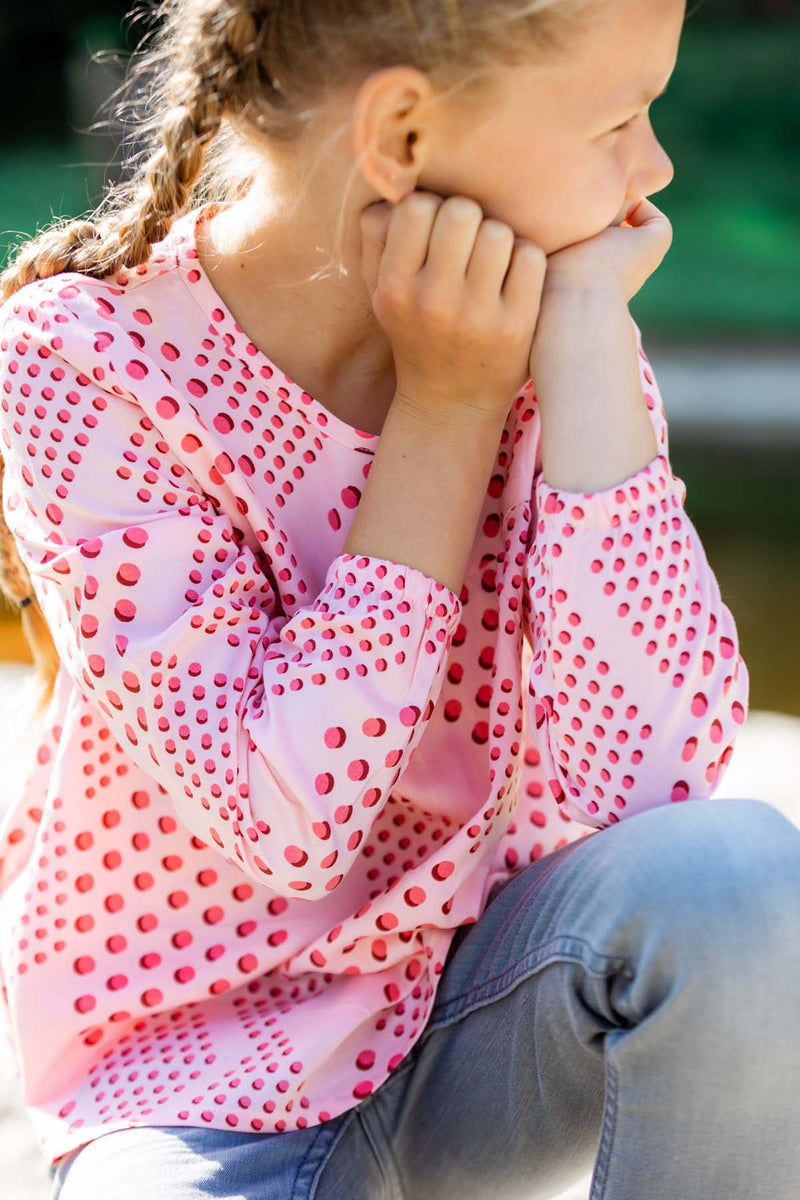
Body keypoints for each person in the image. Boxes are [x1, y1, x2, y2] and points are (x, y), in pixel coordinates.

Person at [0, 0, 798, 1196]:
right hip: (196, 1098)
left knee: (739, 882)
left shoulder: (564, 329)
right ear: (405, 138)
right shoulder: (82, 360)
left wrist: (583, 338)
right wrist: (448, 409)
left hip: (484, 1036)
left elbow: (656, 784)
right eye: (620, 118)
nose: (655, 168)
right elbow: (288, 822)